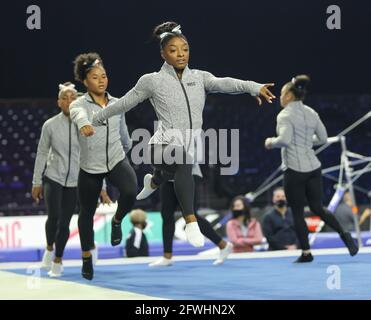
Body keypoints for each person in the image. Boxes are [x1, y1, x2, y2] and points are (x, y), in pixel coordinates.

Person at [91, 21, 275, 249]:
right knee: (182, 159)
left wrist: (253, 87)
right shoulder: (152, 81)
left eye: (185, 49)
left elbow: (225, 83)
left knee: (181, 161)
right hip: (158, 148)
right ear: (162, 53)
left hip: (182, 153)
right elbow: (124, 104)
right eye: (173, 50)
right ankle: (191, 223)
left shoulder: (200, 77)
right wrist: (97, 119)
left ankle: (155, 180)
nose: (180, 54)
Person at [264, 75, 358, 262]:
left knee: (297, 212)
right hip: (314, 168)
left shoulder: (284, 115)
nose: (280, 97)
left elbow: (283, 140)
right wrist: (305, 141)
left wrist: (269, 142)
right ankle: (345, 235)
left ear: (290, 95)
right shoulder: (311, 112)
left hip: (294, 170)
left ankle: (306, 253)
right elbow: (323, 139)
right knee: (318, 207)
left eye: (282, 93)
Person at [69, 53, 137, 280]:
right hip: (90, 168)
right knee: (86, 213)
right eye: (95, 77)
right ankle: (87, 257)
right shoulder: (79, 104)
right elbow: (77, 114)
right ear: (85, 81)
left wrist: (125, 152)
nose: (101, 80)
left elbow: (124, 136)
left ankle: (117, 221)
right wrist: (84, 124)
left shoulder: (117, 103)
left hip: (116, 159)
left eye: (104, 76)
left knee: (130, 191)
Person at [32, 83, 111, 277]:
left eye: (72, 98)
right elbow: (42, 153)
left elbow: (95, 156)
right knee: (54, 218)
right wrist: (36, 182)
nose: (68, 101)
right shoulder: (50, 125)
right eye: (64, 98)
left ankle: (58, 261)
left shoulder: (86, 123)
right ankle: (49, 248)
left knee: (65, 222)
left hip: (77, 180)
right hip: (53, 178)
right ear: (59, 102)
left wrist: (102, 186)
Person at [149, 163, 233, 267]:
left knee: (191, 215)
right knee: (166, 215)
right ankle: (167, 256)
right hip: (167, 178)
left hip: (187, 175)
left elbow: (188, 157)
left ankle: (223, 245)